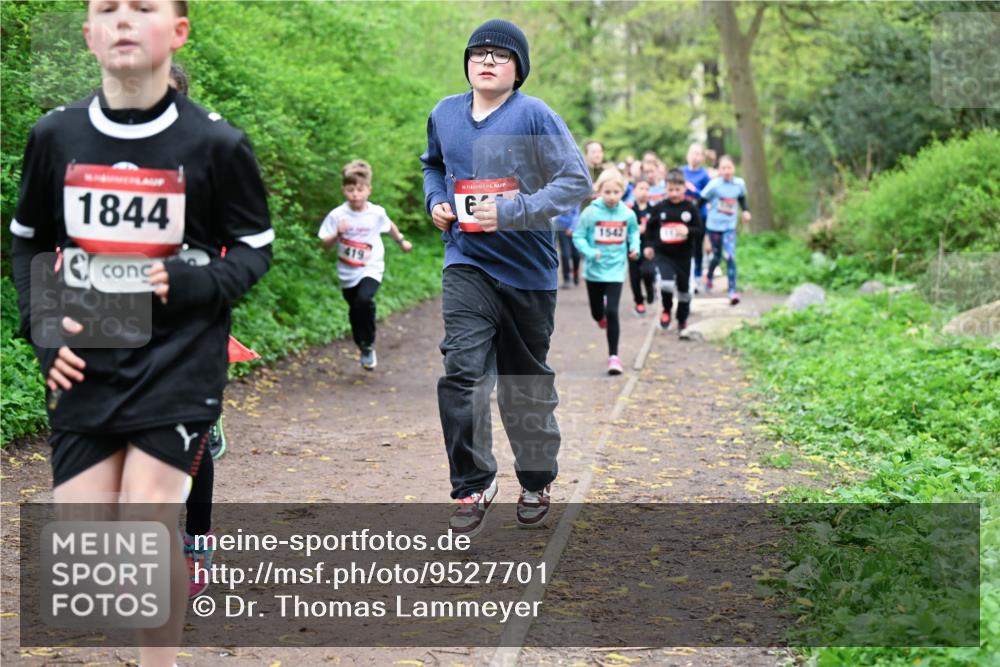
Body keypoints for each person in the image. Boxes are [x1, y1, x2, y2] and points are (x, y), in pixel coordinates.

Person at [9, 1, 273, 664]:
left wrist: (190, 284)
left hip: (178, 357)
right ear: (89, 34)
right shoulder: (55, 136)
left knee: (147, 525)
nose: (123, 18)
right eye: (107, 8)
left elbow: (253, 248)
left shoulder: (216, 143)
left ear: (178, 32)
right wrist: (44, 331)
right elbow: (28, 245)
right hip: (88, 355)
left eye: (143, 7)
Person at [420, 19, 591, 536]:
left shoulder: (534, 115)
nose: (486, 61)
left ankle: (536, 479)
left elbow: (575, 182)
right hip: (467, 262)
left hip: (528, 272)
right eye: (478, 53)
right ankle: (472, 483)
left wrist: (514, 209)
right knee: (462, 372)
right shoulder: (445, 114)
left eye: (500, 54)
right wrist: (437, 201)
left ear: (517, 69)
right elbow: (432, 166)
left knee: (524, 385)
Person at [319, 160, 412, 370]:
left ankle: (368, 344)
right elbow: (324, 244)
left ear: (368, 190)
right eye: (350, 190)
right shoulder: (337, 215)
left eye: (360, 190)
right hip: (347, 271)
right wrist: (337, 234)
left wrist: (401, 241)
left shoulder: (376, 212)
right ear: (344, 190)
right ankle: (362, 345)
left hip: (371, 267)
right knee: (354, 309)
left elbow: (389, 227)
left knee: (364, 300)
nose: (355, 194)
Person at [573, 169, 640, 375]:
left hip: (616, 270)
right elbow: (578, 236)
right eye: (607, 192)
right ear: (599, 191)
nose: (612, 196)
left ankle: (614, 357)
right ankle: (599, 316)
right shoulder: (590, 213)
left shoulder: (628, 213)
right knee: (597, 313)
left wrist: (634, 247)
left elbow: (633, 232)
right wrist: (590, 252)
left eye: (616, 192)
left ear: (622, 192)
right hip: (594, 271)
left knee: (612, 312)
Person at [645, 169, 703, 336]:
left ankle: (682, 319)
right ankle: (666, 310)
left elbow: (700, 230)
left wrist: (688, 230)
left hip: (684, 256)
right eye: (670, 190)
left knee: (684, 292)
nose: (674, 193)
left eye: (677, 189)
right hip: (664, 255)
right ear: (666, 189)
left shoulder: (690, 208)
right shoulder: (660, 208)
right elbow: (650, 228)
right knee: (666, 284)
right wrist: (648, 246)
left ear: (684, 188)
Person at [700, 155, 751, 305]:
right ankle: (709, 276)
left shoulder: (739, 184)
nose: (727, 171)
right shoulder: (714, 185)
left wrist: (746, 211)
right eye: (723, 168)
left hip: (729, 226)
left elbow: (742, 199)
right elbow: (700, 201)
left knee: (730, 256)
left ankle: (732, 291)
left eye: (729, 167)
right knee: (716, 256)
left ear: (734, 169)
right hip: (714, 226)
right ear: (719, 170)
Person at [682, 143, 711, 291]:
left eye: (698, 154)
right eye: (693, 153)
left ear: (702, 157)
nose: (695, 156)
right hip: (681, 216)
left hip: (699, 215)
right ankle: (685, 276)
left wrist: (694, 190)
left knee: (697, 247)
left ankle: (697, 276)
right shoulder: (681, 171)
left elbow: (708, 195)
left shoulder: (704, 175)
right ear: (688, 154)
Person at [627, 179, 656, 315]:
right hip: (633, 248)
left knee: (648, 272)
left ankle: (650, 289)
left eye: (646, 189)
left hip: (649, 247)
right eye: (641, 188)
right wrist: (636, 230)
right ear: (634, 191)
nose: (644, 192)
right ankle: (639, 302)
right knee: (635, 276)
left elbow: (658, 230)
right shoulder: (629, 211)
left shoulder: (654, 211)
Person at [554, 206, 581, 289]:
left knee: (576, 255)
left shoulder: (575, 198)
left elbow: (576, 215)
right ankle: (567, 279)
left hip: (574, 230)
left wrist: (571, 228)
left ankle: (575, 272)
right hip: (562, 229)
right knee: (565, 254)